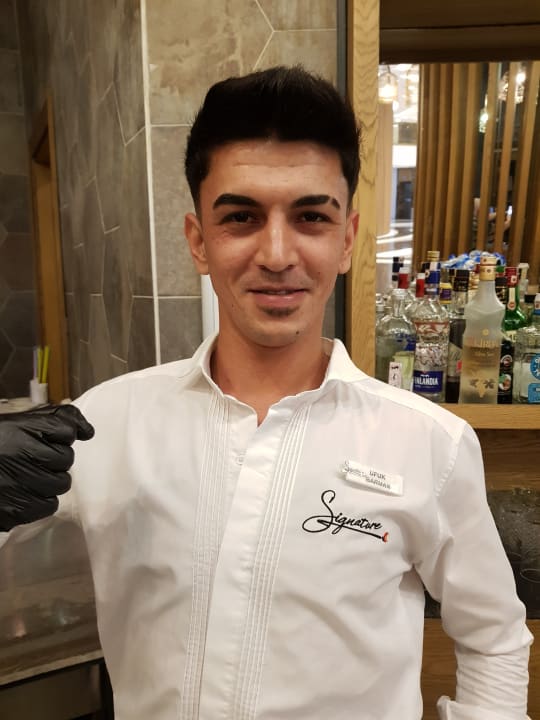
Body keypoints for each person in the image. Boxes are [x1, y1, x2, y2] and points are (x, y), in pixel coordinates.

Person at [0, 66, 532, 720]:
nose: (277, 254)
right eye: (241, 217)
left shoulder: (430, 443)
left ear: (346, 240)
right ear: (199, 240)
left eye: (310, 217)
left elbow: (494, 636)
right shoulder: (106, 422)